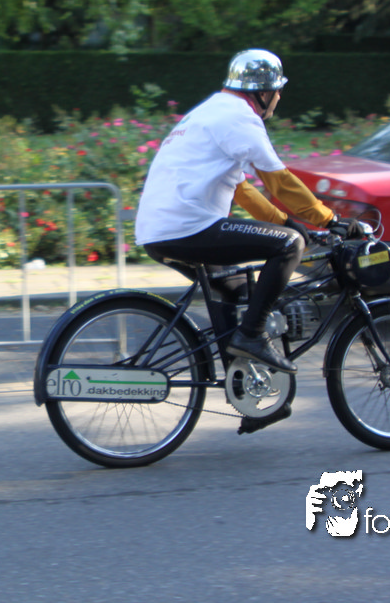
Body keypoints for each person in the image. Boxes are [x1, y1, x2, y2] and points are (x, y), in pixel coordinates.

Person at [134, 48, 363, 374]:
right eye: (278, 90)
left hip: (159, 231)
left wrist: (285, 221)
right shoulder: (240, 117)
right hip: (189, 227)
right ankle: (253, 335)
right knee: (289, 245)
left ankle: (240, 380)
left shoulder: (212, 110)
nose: (280, 97)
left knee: (237, 287)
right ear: (262, 92)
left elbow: (242, 189)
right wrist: (330, 220)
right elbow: (279, 181)